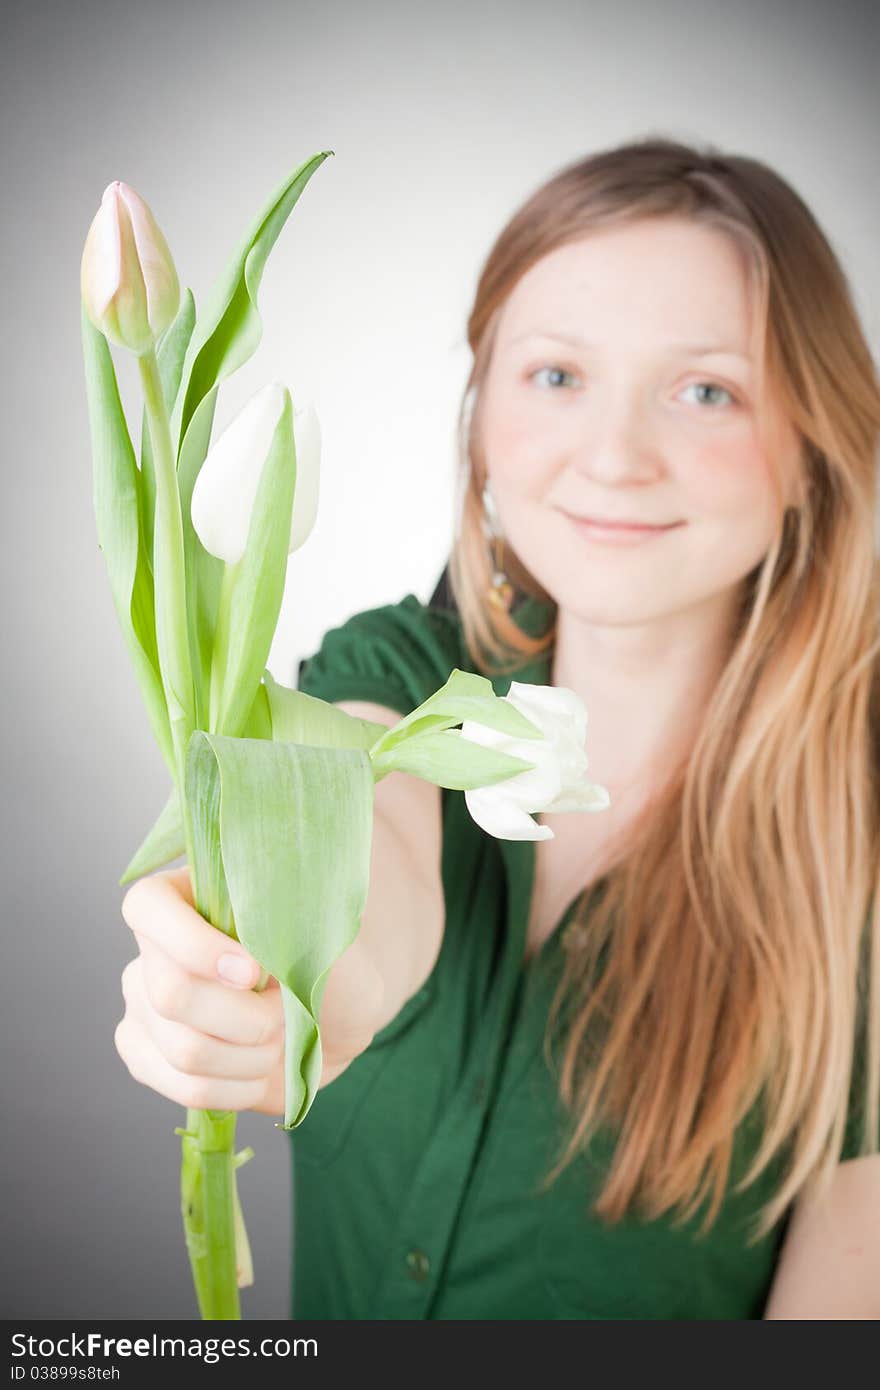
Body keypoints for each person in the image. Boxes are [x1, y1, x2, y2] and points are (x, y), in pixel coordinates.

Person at [114, 136, 880, 1319]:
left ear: (808, 455)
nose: (615, 457)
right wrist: (291, 979)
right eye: (557, 376)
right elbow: (369, 865)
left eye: (706, 389)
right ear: (480, 431)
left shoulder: (856, 877)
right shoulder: (395, 676)